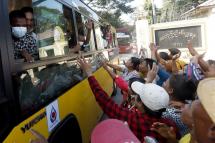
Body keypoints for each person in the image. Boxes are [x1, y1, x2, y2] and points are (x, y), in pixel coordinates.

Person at [77, 57, 178, 143]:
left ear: (141, 106)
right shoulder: (170, 127)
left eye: (138, 98)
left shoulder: (132, 118)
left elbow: (104, 100)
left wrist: (89, 74)